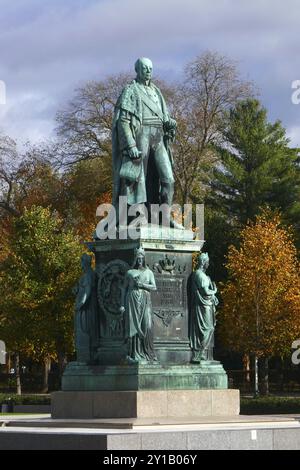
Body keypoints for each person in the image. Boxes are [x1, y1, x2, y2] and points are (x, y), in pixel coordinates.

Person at [112, 57, 178, 224]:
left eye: (150, 68)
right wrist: (130, 144)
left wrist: (169, 123)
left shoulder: (157, 91)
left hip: (158, 136)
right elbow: (123, 121)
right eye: (144, 68)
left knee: (168, 179)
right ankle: (138, 216)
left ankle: (165, 218)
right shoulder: (130, 91)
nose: (148, 71)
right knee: (139, 178)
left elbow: (164, 116)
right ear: (137, 70)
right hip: (141, 134)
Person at [120, 248, 157, 363]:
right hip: (131, 300)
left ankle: (148, 353)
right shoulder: (130, 272)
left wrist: (142, 285)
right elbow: (123, 289)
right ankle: (133, 354)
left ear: (144, 258)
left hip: (145, 300)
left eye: (141, 257)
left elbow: (154, 287)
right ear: (135, 259)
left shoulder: (149, 272)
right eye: (138, 258)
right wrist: (122, 305)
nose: (140, 260)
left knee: (147, 325)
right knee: (132, 327)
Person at [189, 252, 218, 362]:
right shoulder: (200, 275)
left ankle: (202, 352)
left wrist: (213, 296)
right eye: (208, 262)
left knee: (209, 328)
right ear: (203, 262)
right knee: (208, 328)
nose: (209, 264)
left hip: (206, 305)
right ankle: (199, 353)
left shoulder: (202, 275)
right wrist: (214, 291)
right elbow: (205, 291)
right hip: (203, 307)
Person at [74, 253, 99, 363]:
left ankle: (88, 356)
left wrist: (81, 303)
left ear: (84, 263)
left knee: (86, 328)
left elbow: (88, 290)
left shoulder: (88, 275)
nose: (81, 264)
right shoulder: (89, 274)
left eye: (81, 262)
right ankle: (88, 355)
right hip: (87, 306)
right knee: (87, 328)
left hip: (86, 307)